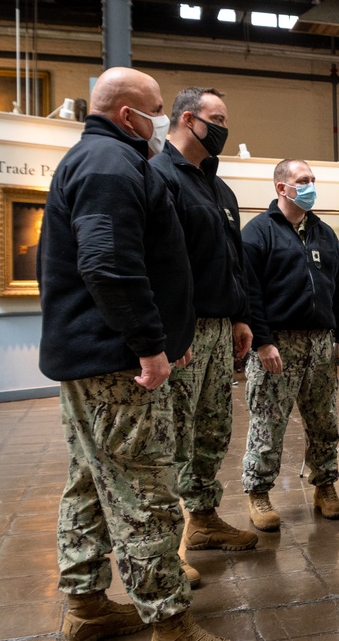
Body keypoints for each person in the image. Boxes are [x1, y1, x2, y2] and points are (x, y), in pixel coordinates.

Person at [37, 66, 227, 641]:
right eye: (158, 108)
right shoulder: (111, 164)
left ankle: (88, 608)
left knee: (92, 483)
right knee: (147, 492)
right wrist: (150, 348)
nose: (163, 118)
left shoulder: (101, 160)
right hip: (118, 364)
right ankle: (170, 623)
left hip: (96, 359)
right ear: (128, 115)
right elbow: (109, 264)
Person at [149, 87, 258, 580]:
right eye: (217, 118)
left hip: (220, 328)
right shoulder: (159, 177)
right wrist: (173, 332)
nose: (223, 128)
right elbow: (160, 263)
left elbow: (232, 262)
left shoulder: (220, 189)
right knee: (171, 434)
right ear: (188, 119)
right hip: (184, 331)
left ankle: (203, 519)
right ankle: (165, 542)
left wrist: (239, 315)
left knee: (212, 430)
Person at [240, 158, 339, 531]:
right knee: (268, 424)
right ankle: (258, 494)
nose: (310, 185)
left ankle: (325, 486)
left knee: (324, 422)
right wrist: (262, 341)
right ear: (281, 188)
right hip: (277, 344)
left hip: (321, 343)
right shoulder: (258, 232)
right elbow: (249, 294)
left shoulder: (323, 232)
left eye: (312, 179)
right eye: (302, 180)